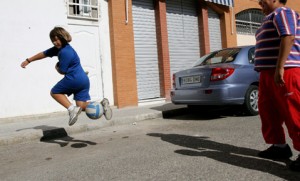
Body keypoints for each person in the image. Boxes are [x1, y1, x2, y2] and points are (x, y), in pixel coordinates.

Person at [21, 27, 112, 126]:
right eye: (53, 41)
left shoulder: (64, 52)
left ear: (63, 37)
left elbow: (63, 71)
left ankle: (72, 110)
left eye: (57, 39)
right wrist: (28, 60)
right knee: (81, 105)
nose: (55, 42)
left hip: (74, 79)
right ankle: (102, 106)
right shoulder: (61, 49)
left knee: (55, 92)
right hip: (83, 79)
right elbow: (43, 54)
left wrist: (57, 67)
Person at [254, 0, 300, 171]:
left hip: (285, 71)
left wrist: (280, 67)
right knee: (268, 112)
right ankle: (279, 147)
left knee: (294, 112)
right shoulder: (269, 18)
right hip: (267, 73)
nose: (259, 2)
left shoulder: (283, 13)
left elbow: (288, 36)